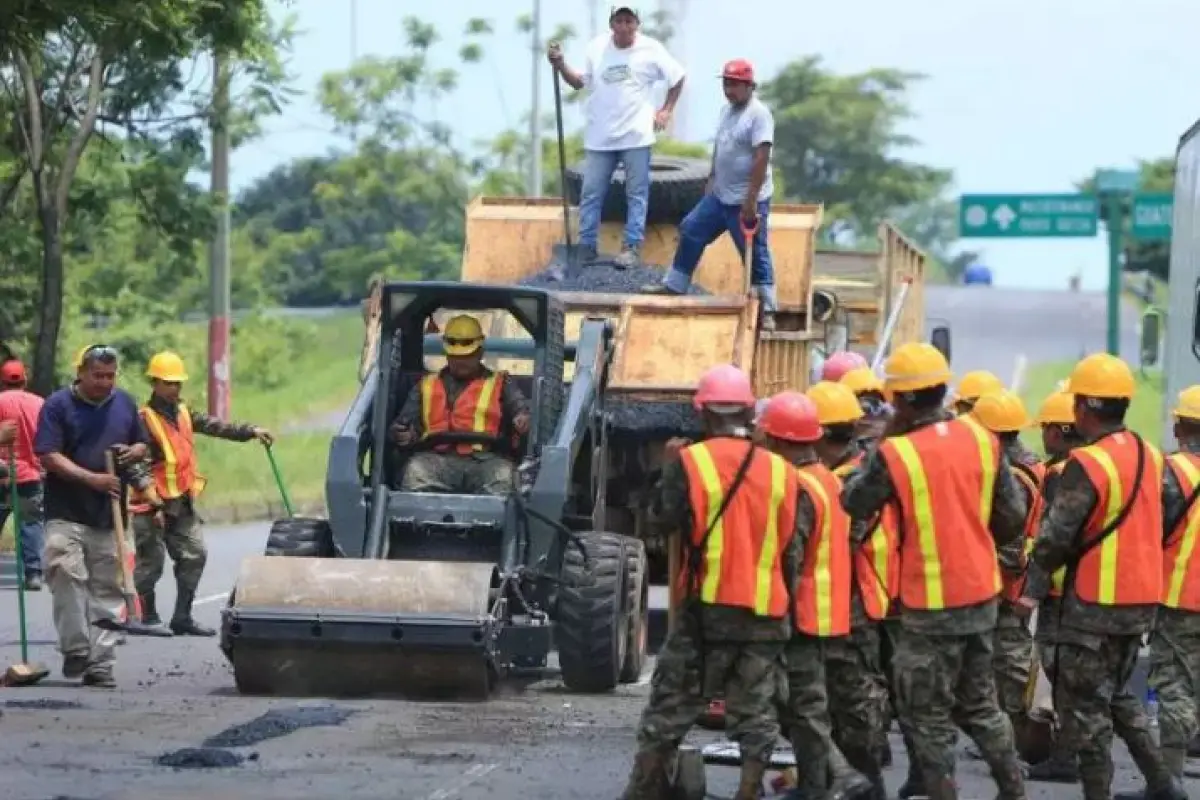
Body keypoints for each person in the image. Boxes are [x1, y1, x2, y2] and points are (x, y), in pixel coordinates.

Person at [842, 342, 1028, 800]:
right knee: (982, 705)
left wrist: (885, 441)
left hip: (929, 604)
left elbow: (854, 502)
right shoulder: (983, 439)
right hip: (982, 594)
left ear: (902, 401)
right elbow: (1012, 518)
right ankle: (1013, 790)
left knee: (927, 713)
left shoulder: (898, 453)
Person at [619, 365, 801, 800]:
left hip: (708, 607)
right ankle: (748, 791)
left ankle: (643, 791)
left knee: (670, 706)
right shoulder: (782, 472)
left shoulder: (690, 462)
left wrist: (666, 469)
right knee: (756, 712)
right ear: (748, 413)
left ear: (703, 414)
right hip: (765, 609)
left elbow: (662, 523)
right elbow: (792, 546)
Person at [1018, 353, 1184, 800]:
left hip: (1092, 607)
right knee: (1118, 697)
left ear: (1083, 409)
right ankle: (1164, 784)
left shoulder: (1086, 464)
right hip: (1140, 602)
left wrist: (1031, 591)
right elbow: (1166, 514)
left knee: (1086, 712)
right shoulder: (1150, 455)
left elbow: (1055, 537)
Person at [760, 389, 874, 800]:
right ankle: (820, 784)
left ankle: (831, 780)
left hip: (804, 617)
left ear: (778, 442)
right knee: (809, 706)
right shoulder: (829, 480)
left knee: (798, 707)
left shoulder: (799, 486)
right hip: (832, 614)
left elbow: (792, 556)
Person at [34, 344, 162, 688]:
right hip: (67, 511)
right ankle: (76, 648)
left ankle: (101, 664)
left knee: (107, 589)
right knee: (64, 571)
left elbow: (142, 445)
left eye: (110, 376)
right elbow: (48, 455)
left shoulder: (124, 403)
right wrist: (91, 479)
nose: (105, 382)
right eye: (98, 376)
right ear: (81, 373)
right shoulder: (58, 405)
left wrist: (133, 451)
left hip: (110, 516)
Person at [128, 351, 272, 636]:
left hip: (180, 501)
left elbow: (216, 426)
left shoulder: (183, 412)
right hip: (152, 504)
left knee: (195, 555)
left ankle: (182, 617)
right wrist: (151, 498)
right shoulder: (143, 419)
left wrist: (250, 431)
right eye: (169, 383)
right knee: (150, 563)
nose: (175, 388)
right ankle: (148, 617)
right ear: (154, 383)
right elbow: (136, 465)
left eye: (178, 383)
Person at [546, 5, 686, 269]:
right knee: (591, 193)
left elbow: (678, 77)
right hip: (601, 137)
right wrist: (561, 64)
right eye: (619, 21)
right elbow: (578, 82)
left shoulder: (651, 49)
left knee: (637, 194)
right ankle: (586, 246)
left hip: (636, 136)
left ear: (637, 24)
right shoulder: (596, 48)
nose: (624, 27)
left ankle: (631, 247)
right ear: (611, 24)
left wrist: (666, 110)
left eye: (628, 21)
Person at [645, 59, 779, 330]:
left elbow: (761, 157)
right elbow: (721, 148)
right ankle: (675, 284)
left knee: (754, 251)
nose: (729, 90)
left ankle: (768, 310)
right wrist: (711, 179)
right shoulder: (726, 111)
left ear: (749, 86)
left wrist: (751, 199)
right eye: (726, 84)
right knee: (692, 228)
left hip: (746, 199)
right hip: (719, 196)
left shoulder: (759, 115)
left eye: (735, 85)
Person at [970, 391, 1042, 749]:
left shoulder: (1010, 475)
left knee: (1010, 662)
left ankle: (1017, 738)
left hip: (1008, 584)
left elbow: (1011, 541)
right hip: (1017, 580)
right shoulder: (1030, 464)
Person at [390, 315, 530, 496]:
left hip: (487, 460)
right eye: (455, 356)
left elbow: (520, 409)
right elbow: (405, 424)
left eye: (468, 355)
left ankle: (496, 522)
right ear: (447, 354)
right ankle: (417, 523)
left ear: (480, 352)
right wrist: (404, 435)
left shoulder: (501, 383)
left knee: (504, 476)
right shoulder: (425, 385)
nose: (461, 361)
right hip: (436, 460)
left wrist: (522, 419)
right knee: (415, 472)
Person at [1023, 385, 1083, 783]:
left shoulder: (1063, 475)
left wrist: (1035, 587)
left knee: (1058, 672)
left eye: (1046, 427)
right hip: (1082, 591)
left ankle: (1064, 756)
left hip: (1059, 590)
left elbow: (1053, 536)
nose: (1042, 435)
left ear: (1060, 431)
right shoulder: (1089, 467)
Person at [1148, 385, 1200, 788]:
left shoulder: (1174, 471)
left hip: (1182, 596)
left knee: (1174, 685)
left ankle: (1167, 781)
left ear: (1182, 427)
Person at [0, 358, 46, 590]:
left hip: (2, 475)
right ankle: (33, 573)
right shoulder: (39, 404)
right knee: (30, 524)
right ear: (25, 380)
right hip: (30, 475)